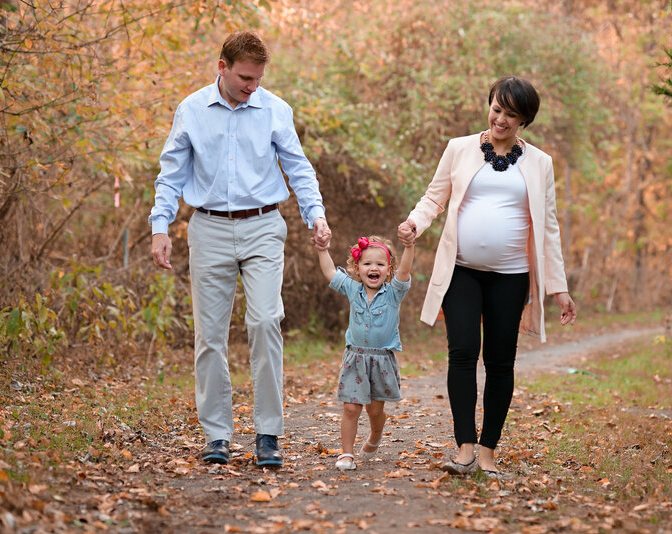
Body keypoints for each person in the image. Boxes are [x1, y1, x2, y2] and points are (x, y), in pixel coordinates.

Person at [149, 30, 331, 467]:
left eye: (258, 78)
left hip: (264, 226)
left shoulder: (274, 109)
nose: (252, 86)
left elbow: (298, 168)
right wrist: (159, 225)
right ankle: (217, 435)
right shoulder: (191, 110)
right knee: (209, 336)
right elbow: (171, 174)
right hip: (207, 228)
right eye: (245, 78)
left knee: (266, 321)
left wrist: (316, 214)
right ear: (222, 67)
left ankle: (268, 433)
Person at [397, 76, 577, 479]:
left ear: (524, 120)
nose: (500, 119)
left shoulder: (540, 163)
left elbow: (548, 228)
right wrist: (414, 222)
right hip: (461, 272)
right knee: (462, 352)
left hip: (511, 277)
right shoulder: (459, 149)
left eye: (511, 114)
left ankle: (489, 450)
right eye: (497, 109)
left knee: (500, 362)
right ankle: (464, 447)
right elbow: (434, 197)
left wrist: (558, 288)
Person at [315, 235, 415, 470]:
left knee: (375, 409)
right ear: (357, 268)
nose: (374, 268)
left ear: (388, 269)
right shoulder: (352, 289)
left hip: (382, 360)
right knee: (351, 408)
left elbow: (405, 271)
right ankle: (347, 454)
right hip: (355, 357)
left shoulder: (393, 293)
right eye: (367, 263)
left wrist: (409, 246)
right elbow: (330, 272)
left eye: (380, 264)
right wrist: (322, 249)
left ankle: (375, 435)